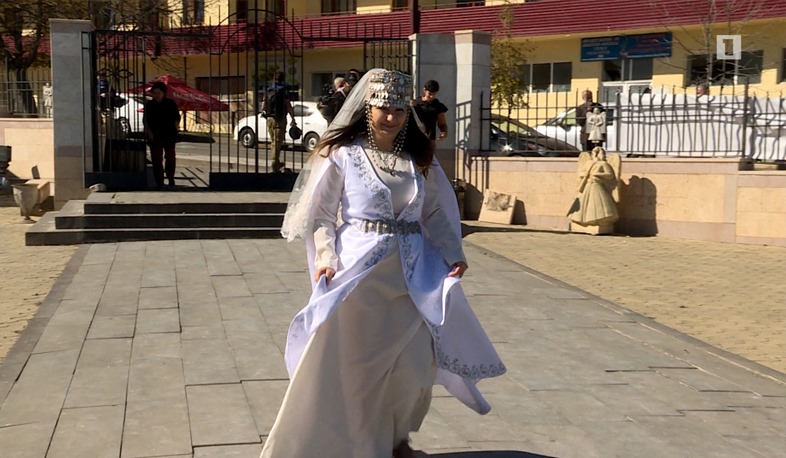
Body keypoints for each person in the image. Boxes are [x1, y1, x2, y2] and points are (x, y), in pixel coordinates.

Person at [269, 69, 505, 458]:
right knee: (358, 370)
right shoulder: (344, 155)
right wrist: (326, 258)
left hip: (414, 277)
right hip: (359, 277)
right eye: (384, 109)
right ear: (368, 109)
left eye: (399, 109)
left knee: (414, 366)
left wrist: (453, 251)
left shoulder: (416, 159)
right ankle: (367, 445)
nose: (392, 117)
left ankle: (397, 438)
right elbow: (322, 215)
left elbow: (434, 212)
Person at [568, 146, 619, 227]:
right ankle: (584, 221)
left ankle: (599, 220)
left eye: (600, 153)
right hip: (588, 186)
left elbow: (610, 175)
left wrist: (597, 174)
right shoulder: (589, 163)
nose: (597, 155)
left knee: (600, 205)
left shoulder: (604, 164)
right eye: (595, 153)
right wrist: (586, 174)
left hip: (597, 185)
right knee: (584, 205)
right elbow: (581, 173)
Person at [143, 81, 180, 188]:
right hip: (155, 136)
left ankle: (170, 178)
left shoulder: (170, 103)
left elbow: (177, 117)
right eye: (154, 93)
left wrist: (176, 128)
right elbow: (145, 120)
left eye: (158, 93)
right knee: (156, 159)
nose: (156, 95)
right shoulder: (149, 105)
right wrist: (149, 132)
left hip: (169, 134)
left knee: (170, 157)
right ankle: (159, 181)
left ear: (164, 93)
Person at [265, 71, 297, 172]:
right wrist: (293, 118)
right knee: (277, 142)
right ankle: (274, 164)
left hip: (269, 118)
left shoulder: (269, 89)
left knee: (273, 141)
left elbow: (263, 104)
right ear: (283, 79)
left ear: (274, 78)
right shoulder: (283, 90)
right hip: (280, 118)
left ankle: (277, 162)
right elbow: (288, 105)